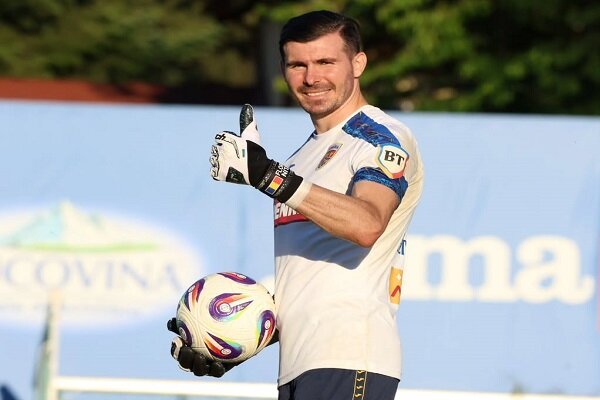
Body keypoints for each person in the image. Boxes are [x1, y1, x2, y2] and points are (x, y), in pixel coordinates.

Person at [168, 9, 424, 400]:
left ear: (358, 64)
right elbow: (308, 288)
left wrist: (270, 177)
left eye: (325, 62)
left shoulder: (380, 137)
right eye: (297, 65)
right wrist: (225, 340)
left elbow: (367, 224)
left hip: (350, 356)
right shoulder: (300, 159)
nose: (311, 77)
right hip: (299, 366)